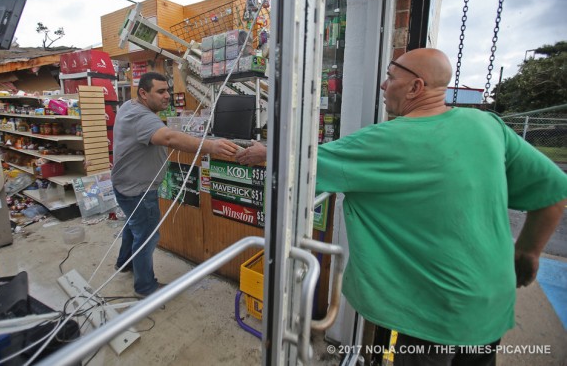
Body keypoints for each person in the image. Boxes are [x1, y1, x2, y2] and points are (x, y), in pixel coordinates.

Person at [237, 48, 567, 365]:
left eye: (390, 77)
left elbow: (300, 161)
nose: (383, 85)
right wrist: (526, 253)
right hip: (491, 304)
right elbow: (554, 193)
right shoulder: (488, 126)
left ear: (415, 87)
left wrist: (263, 152)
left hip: (433, 315)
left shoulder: (379, 142)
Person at [112, 71, 239, 297]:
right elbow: (169, 139)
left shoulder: (129, 106)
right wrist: (209, 146)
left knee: (134, 227)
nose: (167, 96)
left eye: (167, 90)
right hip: (138, 191)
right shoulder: (142, 117)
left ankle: (125, 263)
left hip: (125, 186)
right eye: (160, 91)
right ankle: (145, 287)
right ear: (143, 93)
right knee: (147, 236)